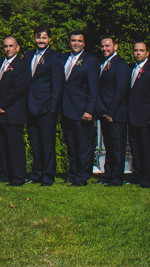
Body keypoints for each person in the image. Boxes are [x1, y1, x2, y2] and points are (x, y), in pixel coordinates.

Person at [60, 31, 99, 187]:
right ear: (69, 43)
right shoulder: (62, 58)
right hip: (66, 109)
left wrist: (89, 110)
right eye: (73, 40)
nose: (76, 43)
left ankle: (83, 176)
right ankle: (73, 172)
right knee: (71, 145)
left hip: (82, 111)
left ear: (84, 43)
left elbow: (93, 89)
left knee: (84, 146)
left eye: (79, 41)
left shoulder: (91, 61)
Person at [25, 26, 63, 186]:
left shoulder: (54, 57)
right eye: (38, 37)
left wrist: (52, 108)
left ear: (49, 39)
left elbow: (57, 84)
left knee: (47, 143)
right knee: (35, 143)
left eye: (44, 38)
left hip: (46, 107)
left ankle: (48, 176)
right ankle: (36, 174)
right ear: (34, 38)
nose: (41, 40)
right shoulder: (28, 55)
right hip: (30, 106)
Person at [0, 35, 30, 186]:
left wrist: (1, 104)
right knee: (3, 145)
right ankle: (5, 174)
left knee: (15, 147)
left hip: (13, 112)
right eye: (5, 46)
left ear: (17, 48)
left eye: (11, 46)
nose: (8, 49)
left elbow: (17, 89)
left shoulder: (22, 66)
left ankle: (18, 177)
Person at [127, 41, 150, 188]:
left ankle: (148, 177)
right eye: (136, 50)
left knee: (147, 149)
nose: (138, 53)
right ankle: (138, 174)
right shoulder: (130, 69)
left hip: (147, 117)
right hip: (132, 117)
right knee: (135, 148)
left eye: (141, 50)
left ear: (147, 53)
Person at [96, 36, 129, 186]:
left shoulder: (120, 65)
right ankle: (107, 174)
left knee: (117, 147)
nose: (105, 49)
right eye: (102, 46)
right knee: (108, 146)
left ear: (115, 47)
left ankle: (116, 177)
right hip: (105, 113)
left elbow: (120, 90)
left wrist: (111, 112)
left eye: (108, 46)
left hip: (116, 114)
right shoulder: (104, 64)